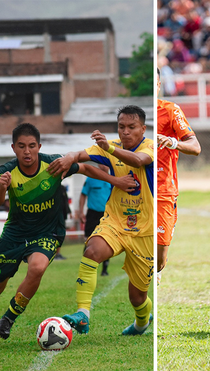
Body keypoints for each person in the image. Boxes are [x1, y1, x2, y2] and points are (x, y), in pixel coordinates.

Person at [0, 123, 136, 339]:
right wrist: (2, 187)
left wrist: (115, 180)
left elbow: (85, 168)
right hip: (15, 233)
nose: (27, 151)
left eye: (32, 146)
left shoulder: (53, 164)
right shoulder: (6, 171)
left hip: (48, 232)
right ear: (14, 148)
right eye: (22, 146)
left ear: (39, 146)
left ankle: (7, 319)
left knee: (37, 267)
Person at [50, 105, 155, 334]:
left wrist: (108, 148)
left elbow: (138, 161)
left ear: (143, 129)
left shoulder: (150, 147)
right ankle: (83, 314)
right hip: (115, 222)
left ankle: (142, 323)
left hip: (145, 231)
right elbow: (81, 158)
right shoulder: (112, 147)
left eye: (131, 127)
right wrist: (69, 157)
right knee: (92, 251)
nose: (125, 131)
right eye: (121, 127)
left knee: (137, 297)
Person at [157, 68, 201, 285]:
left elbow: (195, 146)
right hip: (136, 189)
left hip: (163, 191)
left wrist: (174, 142)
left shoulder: (170, 110)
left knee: (159, 259)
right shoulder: (131, 115)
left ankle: (155, 272)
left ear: (158, 85)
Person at [77, 164, 113, 276]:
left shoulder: (115, 178)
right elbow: (83, 195)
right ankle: (85, 268)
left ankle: (104, 270)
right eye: (102, 162)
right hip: (93, 213)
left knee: (107, 241)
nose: (104, 166)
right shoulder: (91, 178)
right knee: (88, 240)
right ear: (99, 164)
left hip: (107, 214)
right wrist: (81, 211)